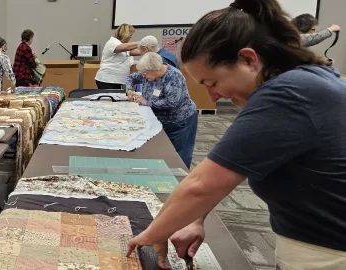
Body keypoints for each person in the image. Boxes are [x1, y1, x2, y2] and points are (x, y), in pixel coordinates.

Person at [127, 0, 346, 269]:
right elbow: (235, 164)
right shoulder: (304, 81)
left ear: (248, 59)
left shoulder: (286, 95)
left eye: (214, 83)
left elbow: (202, 185)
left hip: (328, 254)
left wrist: (152, 234)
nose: (213, 96)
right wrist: (195, 218)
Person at [125, 52, 197, 168]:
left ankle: (179, 179)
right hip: (159, 119)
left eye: (145, 73)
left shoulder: (173, 77)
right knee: (160, 151)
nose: (143, 76)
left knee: (178, 153)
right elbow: (131, 77)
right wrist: (129, 90)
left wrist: (147, 102)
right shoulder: (148, 72)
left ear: (156, 69)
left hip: (179, 120)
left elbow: (172, 102)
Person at [96, 23, 141, 89]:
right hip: (107, 80)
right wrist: (142, 43)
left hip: (116, 80)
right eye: (130, 35)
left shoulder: (123, 45)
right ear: (125, 34)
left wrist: (151, 48)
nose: (131, 37)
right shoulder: (113, 43)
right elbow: (124, 47)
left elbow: (138, 52)